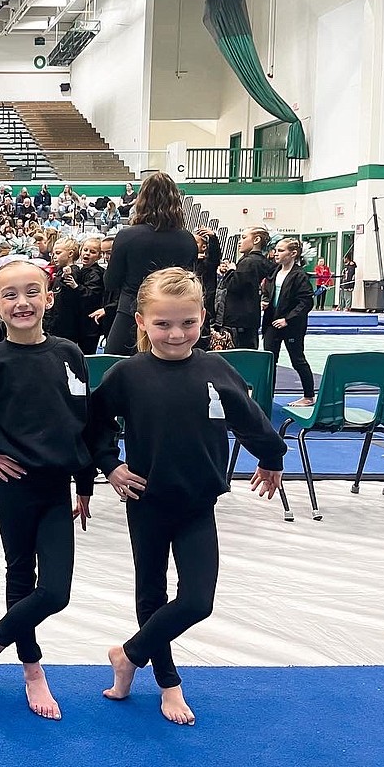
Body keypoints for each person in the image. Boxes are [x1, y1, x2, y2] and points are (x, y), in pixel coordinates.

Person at [86, 267, 285, 726]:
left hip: (198, 503)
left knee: (197, 600)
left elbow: (249, 418)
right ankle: (167, 683)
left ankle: (128, 654)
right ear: (141, 323)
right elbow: (94, 424)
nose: (177, 334)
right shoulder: (128, 374)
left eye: (188, 323)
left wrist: (272, 456)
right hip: (147, 502)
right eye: (163, 324)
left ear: (203, 319)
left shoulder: (216, 369)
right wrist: (110, 465)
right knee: (151, 595)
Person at [0, 257, 95, 719]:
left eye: (32, 292)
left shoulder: (69, 354)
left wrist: (85, 483)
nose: (22, 302)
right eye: (10, 295)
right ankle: (32, 670)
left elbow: (81, 423)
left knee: (55, 591)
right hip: (14, 486)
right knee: (20, 578)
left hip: (57, 488)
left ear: (49, 298)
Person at [102, 172, 197, 356]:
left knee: (114, 369)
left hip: (132, 314)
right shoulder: (187, 240)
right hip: (173, 318)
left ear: (142, 200)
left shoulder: (127, 236)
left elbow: (110, 282)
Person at [262, 238, 316, 407]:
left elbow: (306, 302)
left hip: (292, 325)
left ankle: (309, 396)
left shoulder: (299, 275)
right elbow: (268, 292)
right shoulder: (274, 272)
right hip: (272, 322)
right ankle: (266, 395)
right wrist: (265, 301)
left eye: (281, 250)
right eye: (276, 250)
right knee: (269, 360)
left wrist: (288, 319)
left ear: (293, 254)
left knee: (297, 359)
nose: (276, 253)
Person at [218, 227, 275, 348]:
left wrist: (231, 271)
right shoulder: (262, 261)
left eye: (244, 237)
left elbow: (234, 286)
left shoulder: (248, 262)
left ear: (256, 240)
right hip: (250, 317)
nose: (240, 241)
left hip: (239, 319)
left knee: (238, 354)